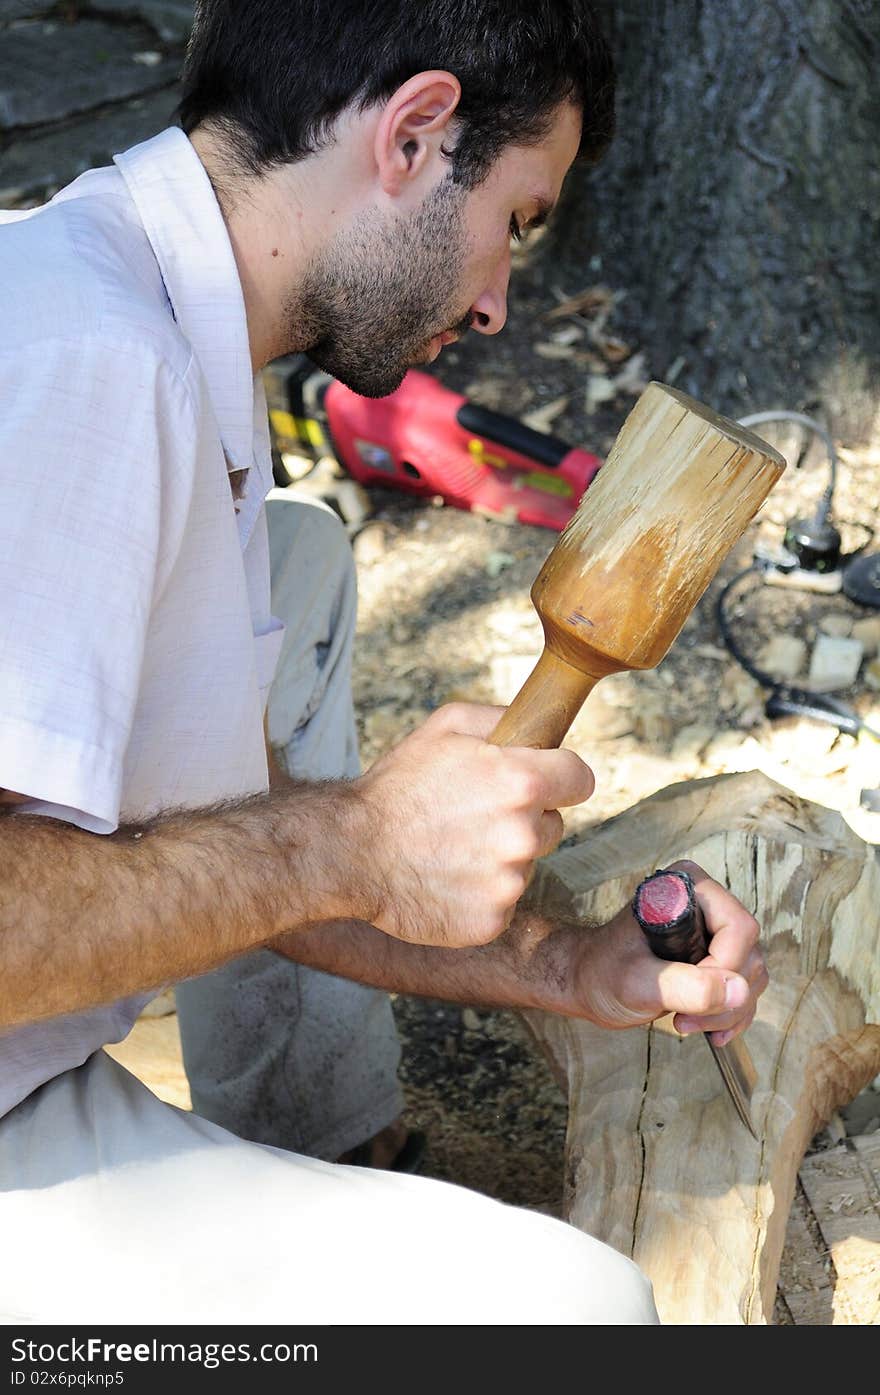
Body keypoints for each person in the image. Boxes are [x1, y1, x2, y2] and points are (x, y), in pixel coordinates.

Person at [0, 0, 767, 1325]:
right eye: (516, 224)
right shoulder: (86, 362)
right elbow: (262, 860)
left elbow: (192, 831)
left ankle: (316, 1147)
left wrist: (557, 968)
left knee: (296, 561)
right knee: (578, 1315)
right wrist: (354, 846)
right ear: (414, 133)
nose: (494, 300)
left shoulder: (151, 307)